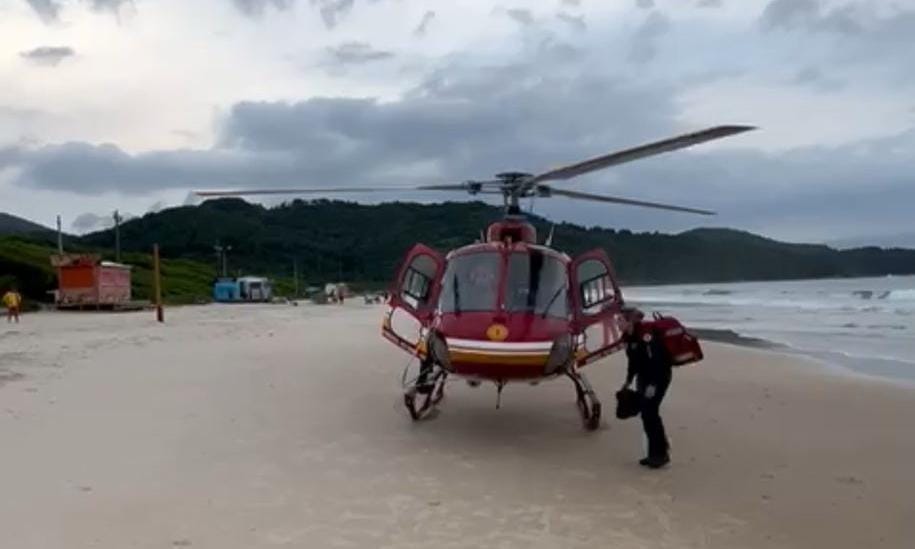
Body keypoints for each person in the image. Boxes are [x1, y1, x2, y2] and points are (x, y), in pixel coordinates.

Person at [621, 306, 672, 469]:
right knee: (646, 414)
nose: (617, 324)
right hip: (643, 377)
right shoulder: (628, 337)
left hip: (659, 377)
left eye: (620, 320)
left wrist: (653, 385)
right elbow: (633, 362)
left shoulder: (646, 336)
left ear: (630, 321)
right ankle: (655, 453)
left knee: (650, 413)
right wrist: (628, 381)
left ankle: (660, 455)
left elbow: (658, 362)